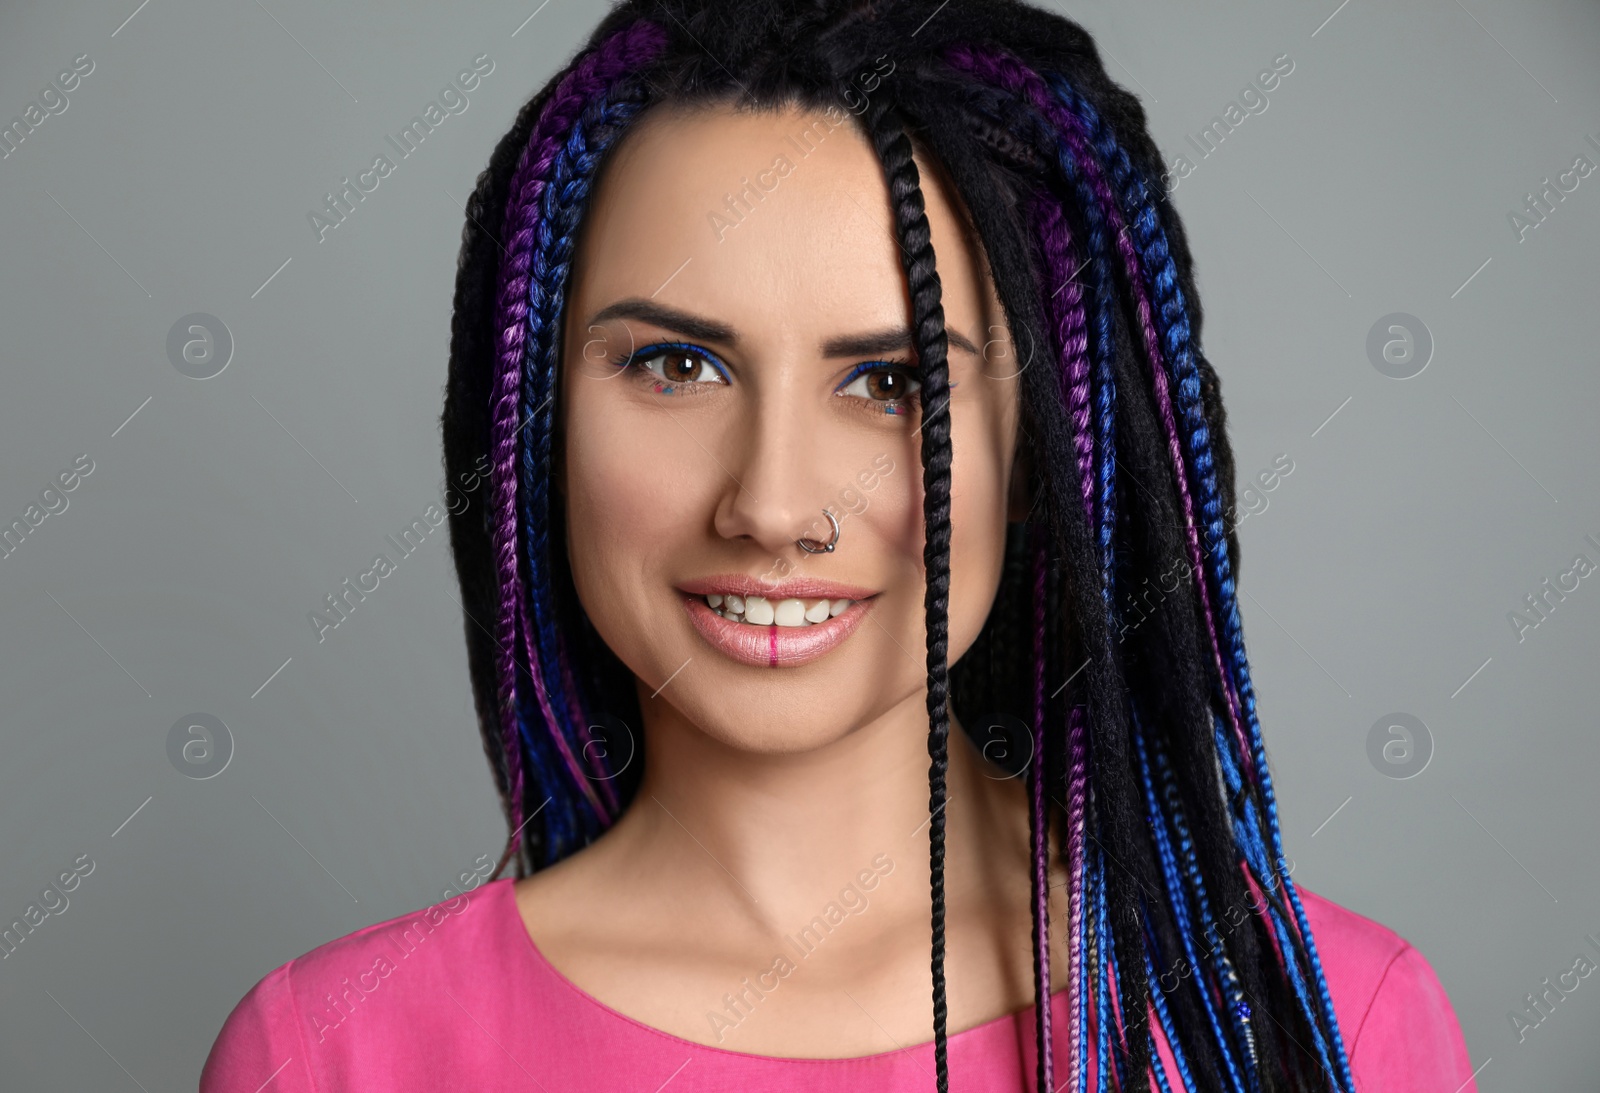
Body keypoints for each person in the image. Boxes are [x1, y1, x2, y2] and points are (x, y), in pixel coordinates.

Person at [200, 1, 1478, 1089]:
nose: (771, 503)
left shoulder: (1325, 1032)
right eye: (675, 364)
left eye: (890, 384)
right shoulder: (332, 1054)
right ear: (535, 412)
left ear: (1036, 453)